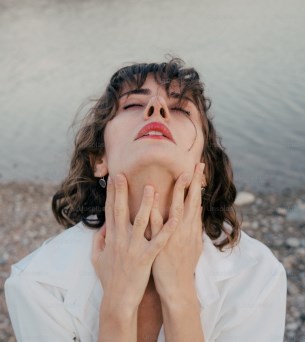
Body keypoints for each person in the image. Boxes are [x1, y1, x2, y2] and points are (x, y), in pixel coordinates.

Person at [5, 58, 287, 342]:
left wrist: (179, 295)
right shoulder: (38, 284)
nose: (157, 108)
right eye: (132, 105)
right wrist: (118, 304)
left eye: (179, 108)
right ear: (99, 159)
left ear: (204, 167)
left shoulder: (256, 277)